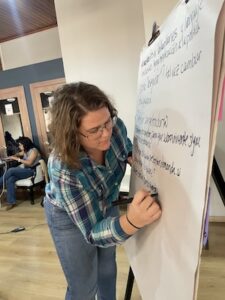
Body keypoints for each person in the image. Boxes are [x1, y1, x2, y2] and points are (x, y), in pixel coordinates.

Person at [44, 82, 162, 300]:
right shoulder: (63, 167)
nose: (106, 133)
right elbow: (92, 233)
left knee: (107, 270)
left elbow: (124, 144)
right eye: (94, 130)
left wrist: (130, 155)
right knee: (83, 286)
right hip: (67, 215)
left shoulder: (116, 128)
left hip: (106, 200)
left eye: (107, 122)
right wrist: (133, 221)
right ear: (72, 134)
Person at [0, 136, 41, 210]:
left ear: (25, 144)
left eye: (20, 144)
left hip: (31, 171)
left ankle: (0, 182)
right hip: (25, 171)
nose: (19, 146)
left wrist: (17, 159)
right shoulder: (25, 151)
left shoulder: (34, 151)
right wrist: (12, 156)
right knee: (10, 179)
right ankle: (11, 202)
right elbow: (19, 154)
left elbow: (29, 163)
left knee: (11, 170)